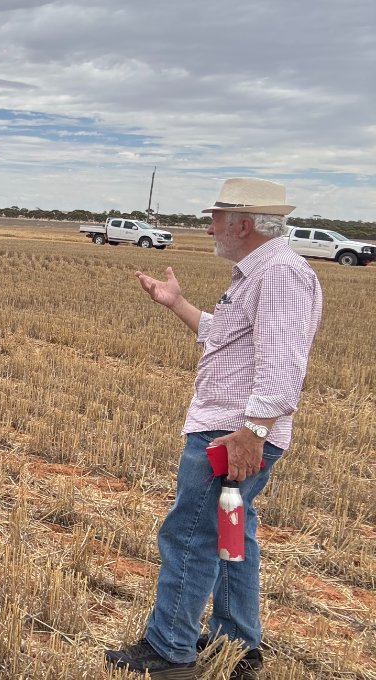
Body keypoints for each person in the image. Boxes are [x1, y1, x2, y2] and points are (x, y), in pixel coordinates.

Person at [105, 178, 323, 680]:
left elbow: (283, 366)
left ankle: (169, 650)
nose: (210, 229)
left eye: (217, 219)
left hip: (232, 435)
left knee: (190, 536)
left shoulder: (282, 274)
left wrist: (252, 433)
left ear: (244, 225)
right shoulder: (256, 273)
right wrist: (174, 303)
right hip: (233, 428)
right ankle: (237, 644)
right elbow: (225, 340)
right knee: (232, 531)